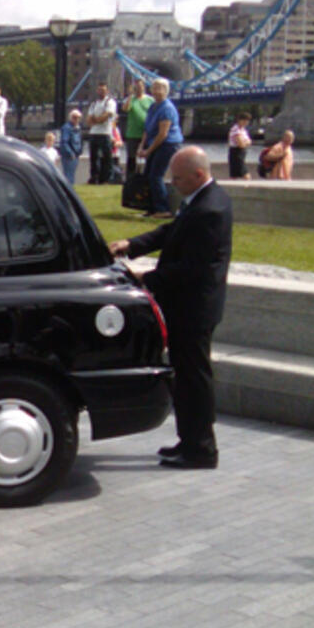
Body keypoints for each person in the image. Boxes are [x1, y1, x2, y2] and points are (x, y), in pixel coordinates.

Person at [109, 146, 231, 469]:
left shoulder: (210, 211)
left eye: (176, 178)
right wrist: (132, 246)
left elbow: (192, 267)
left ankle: (201, 449)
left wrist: (144, 279)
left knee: (194, 378)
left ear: (198, 175)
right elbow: (171, 233)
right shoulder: (201, 201)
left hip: (194, 310)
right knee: (188, 375)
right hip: (188, 307)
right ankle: (189, 440)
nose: (171, 183)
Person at [138, 77, 183, 218]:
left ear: (166, 91)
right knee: (147, 176)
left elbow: (163, 134)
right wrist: (141, 147)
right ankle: (151, 208)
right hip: (154, 143)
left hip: (168, 144)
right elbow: (147, 129)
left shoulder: (167, 108)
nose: (156, 91)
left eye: (160, 88)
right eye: (154, 88)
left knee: (155, 175)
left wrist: (149, 150)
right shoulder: (153, 106)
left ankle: (163, 209)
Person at [85, 82, 117, 184]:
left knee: (107, 158)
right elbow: (88, 120)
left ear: (107, 91)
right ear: (97, 91)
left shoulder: (110, 102)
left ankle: (106, 179)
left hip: (105, 134)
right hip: (94, 133)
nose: (101, 92)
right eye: (99, 90)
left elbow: (106, 117)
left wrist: (96, 120)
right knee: (93, 157)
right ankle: (94, 178)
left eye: (103, 90)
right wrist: (97, 120)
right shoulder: (94, 104)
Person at [121, 81, 153, 176]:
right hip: (132, 134)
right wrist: (130, 95)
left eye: (140, 86)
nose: (139, 88)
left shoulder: (150, 100)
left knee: (149, 157)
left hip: (147, 133)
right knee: (131, 158)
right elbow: (125, 109)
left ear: (144, 87)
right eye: (136, 87)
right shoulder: (130, 99)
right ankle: (130, 179)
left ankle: (147, 178)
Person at [57, 109, 83, 184]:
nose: (77, 120)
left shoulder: (78, 128)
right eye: (74, 117)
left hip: (76, 155)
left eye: (78, 118)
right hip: (69, 156)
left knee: (71, 174)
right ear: (70, 117)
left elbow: (80, 141)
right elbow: (64, 142)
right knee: (68, 175)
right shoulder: (67, 128)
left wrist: (79, 152)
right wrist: (70, 153)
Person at [227, 112, 253, 179]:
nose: (246, 122)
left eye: (247, 121)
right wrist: (246, 142)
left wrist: (246, 142)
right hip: (236, 153)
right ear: (239, 120)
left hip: (241, 153)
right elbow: (240, 144)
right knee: (244, 173)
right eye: (244, 120)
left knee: (236, 173)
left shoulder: (243, 130)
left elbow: (249, 141)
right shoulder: (235, 129)